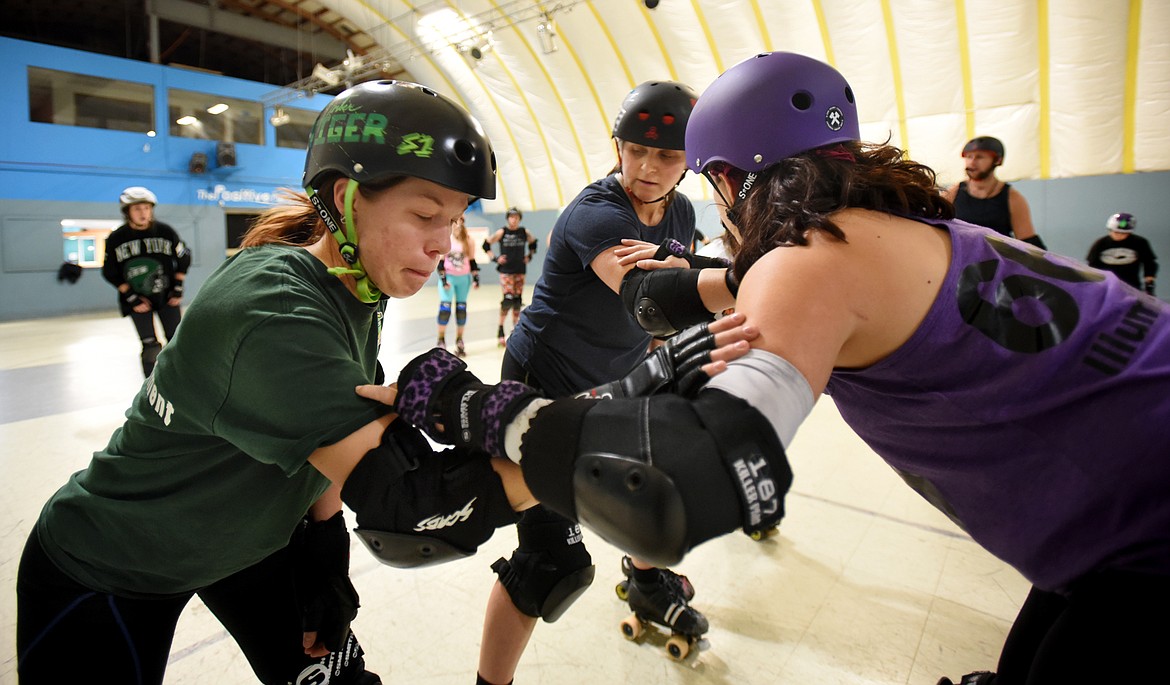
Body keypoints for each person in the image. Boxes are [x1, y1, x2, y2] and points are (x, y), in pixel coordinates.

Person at [383, 53, 1170, 685]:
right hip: (1127, 507)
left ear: (724, 177)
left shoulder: (812, 257)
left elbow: (681, 483)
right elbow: (687, 294)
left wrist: (475, 407)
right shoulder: (909, 219)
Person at [17, 80, 536, 685]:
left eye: (453, 221)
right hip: (115, 561)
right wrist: (587, 460)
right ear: (345, 200)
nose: (443, 244)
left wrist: (323, 543)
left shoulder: (359, 287)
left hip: (247, 545)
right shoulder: (272, 308)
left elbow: (330, 428)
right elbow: (419, 505)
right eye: (424, 215)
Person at [101, 186, 191, 377]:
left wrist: (178, 287)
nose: (143, 213)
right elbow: (109, 271)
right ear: (128, 212)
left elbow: (184, 256)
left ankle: (179, 384)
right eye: (137, 209)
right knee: (150, 346)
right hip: (136, 300)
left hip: (167, 296)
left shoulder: (165, 231)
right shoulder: (116, 238)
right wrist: (131, 296)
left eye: (146, 208)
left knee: (176, 342)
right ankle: (151, 391)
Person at [943, 136, 1046, 249]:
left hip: (997, 263)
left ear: (997, 160)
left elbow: (1029, 243)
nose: (972, 162)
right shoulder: (953, 193)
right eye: (968, 157)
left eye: (979, 157)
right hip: (962, 261)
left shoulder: (1012, 198)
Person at [482, 206, 538, 346]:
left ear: (519, 219)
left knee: (517, 301)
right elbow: (486, 244)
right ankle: (500, 329)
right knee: (507, 299)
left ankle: (515, 329)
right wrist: (495, 258)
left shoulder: (524, 232)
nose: (513, 220)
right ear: (508, 218)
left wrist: (529, 256)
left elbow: (533, 243)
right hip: (506, 270)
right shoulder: (502, 232)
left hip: (520, 269)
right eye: (511, 217)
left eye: (516, 217)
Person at [437, 214, 481, 356]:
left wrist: (476, 279)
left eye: (461, 221)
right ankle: (441, 340)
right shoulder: (446, 238)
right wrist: (444, 280)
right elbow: (441, 263)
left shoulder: (469, 240)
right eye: (456, 221)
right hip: (449, 278)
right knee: (445, 309)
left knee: (461, 309)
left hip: (463, 279)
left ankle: (459, 340)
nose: (458, 224)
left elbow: (472, 260)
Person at [1086, 212, 1158, 294]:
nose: (1119, 235)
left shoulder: (1140, 243)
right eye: (1116, 232)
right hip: (1105, 285)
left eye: (1123, 233)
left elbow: (1149, 263)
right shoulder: (1101, 243)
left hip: (1131, 284)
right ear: (1110, 230)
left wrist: (1149, 283)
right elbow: (1092, 264)